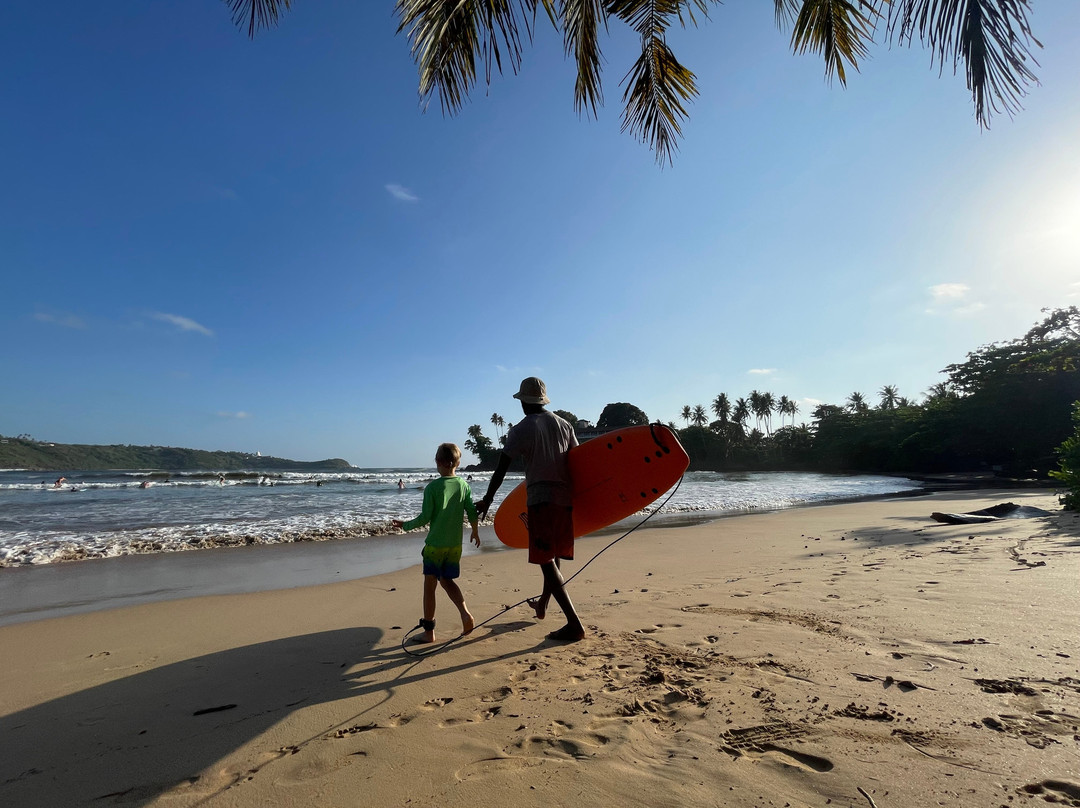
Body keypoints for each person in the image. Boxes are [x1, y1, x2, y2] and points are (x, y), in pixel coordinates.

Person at [476, 377, 585, 643]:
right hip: (564, 499)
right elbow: (578, 461)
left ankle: (574, 624)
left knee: (545, 560)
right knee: (553, 555)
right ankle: (543, 605)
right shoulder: (565, 424)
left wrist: (488, 500)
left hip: (541, 499)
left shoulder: (522, 429)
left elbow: (501, 468)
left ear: (524, 402)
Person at [392, 443, 481, 644]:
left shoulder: (432, 487)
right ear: (457, 463)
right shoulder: (463, 485)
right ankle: (465, 614)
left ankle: (429, 632)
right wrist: (475, 531)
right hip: (454, 546)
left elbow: (425, 518)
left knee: (429, 587)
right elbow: (471, 511)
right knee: (447, 580)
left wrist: (405, 525)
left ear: (439, 463)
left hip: (434, 547)